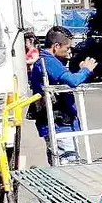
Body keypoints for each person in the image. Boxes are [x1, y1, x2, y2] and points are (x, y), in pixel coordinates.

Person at [29, 26, 96, 165]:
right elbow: (73, 81)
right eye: (67, 47)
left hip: (60, 123)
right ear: (56, 46)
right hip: (58, 124)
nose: (69, 51)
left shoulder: (49, 61)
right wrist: (85, 70)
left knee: (64, 164)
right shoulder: (48, 61)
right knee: (68, 167)